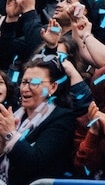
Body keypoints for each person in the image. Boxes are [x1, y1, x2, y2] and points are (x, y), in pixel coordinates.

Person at [0, 57, 86, 185]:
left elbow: (35, 162)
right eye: (24, 82)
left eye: (34, 82)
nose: (25, 89)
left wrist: (10, 134)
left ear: (52, 87)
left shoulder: (62, 118)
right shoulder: (15, 114)